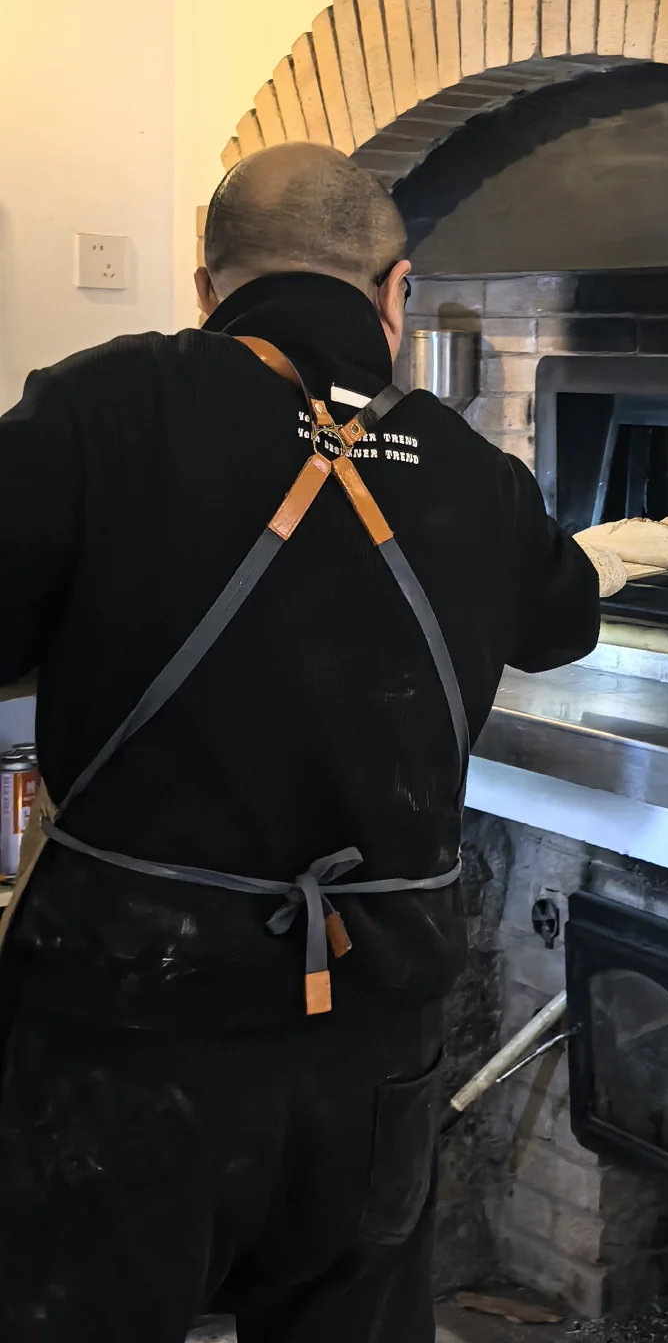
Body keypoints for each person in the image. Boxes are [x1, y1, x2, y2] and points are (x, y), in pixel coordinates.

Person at [0, 141, 600, 1343]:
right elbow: (564, 622)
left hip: (129, 1019)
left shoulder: (100, 406)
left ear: (207, 287)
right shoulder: (474, 472)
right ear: (395, 291)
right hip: (373, 1031)